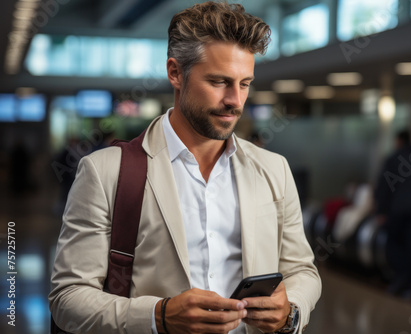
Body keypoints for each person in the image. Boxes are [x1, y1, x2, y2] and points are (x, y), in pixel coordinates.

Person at [49, 2, 321, 334]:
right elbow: (68, 298)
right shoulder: (106, 172)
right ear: (175, 73)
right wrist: (158, 316)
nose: (235, 100)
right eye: (219, 81)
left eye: (245, 83)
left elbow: (302, 271)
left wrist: (290, 311)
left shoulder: (273, 169)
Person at [374, 130, 411, 299]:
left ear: (399, 141)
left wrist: (381, 211)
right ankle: (408, 285)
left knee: (393, 245)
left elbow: (383, 187)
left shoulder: (393, 159)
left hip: (397, 210)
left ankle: (400, 280)